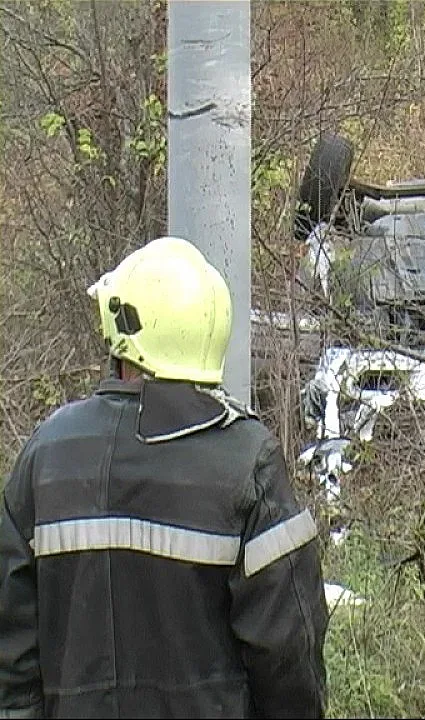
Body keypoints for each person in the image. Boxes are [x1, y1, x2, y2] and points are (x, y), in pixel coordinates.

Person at [0, 237, 329, 718]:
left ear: (122, 335)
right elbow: (288, 655)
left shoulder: (46, 454)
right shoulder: (245, 460)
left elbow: (12, 657)